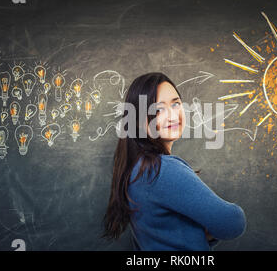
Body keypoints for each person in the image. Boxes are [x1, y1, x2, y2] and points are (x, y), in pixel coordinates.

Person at [102, 72, 246, 251]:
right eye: (158, 109)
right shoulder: (162, 170)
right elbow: (232, 222)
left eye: (176, 103)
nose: (172, 116)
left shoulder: (138, 168)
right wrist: (202, 231)